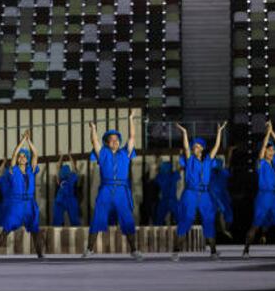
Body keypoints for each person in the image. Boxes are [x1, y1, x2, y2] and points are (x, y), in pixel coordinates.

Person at [82, 110, 143, 260]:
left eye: (117, 139)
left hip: (122, 190)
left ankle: (134, 250)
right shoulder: (102, 153)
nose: (115, 141)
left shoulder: (125, 153)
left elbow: (132, 137)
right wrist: (93, 129)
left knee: (127, 218)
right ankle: (89, 249)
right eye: (111, 139)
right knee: (97, 217)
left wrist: (130, 118)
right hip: (106, 190)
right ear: (107, 142)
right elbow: (94, 142)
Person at [171, 122, 227, 261]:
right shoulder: (190, 160)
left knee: (209, 220)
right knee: (187, 219)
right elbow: (185, 146)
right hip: (190, 193)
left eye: (197, 146)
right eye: (194, 147)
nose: (195, 148)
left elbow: (216, 147)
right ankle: (176, 252)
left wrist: (219, 132)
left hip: (205, 194)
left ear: (202, 148)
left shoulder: (208, 161)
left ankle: (213, 252)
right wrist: (184, 132)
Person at [243, 121, 275, 259]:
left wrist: (272, 132)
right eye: (268, 149)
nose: (271, 151)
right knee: (256, 225)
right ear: (264, 151)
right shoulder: (261, 163)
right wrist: (267, 132)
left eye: (272, 150)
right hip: (264, 196)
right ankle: (246, 250)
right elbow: (264, 146)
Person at [0, 130, 43, 260]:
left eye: (24, 156)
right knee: (7, 228)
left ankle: (40, 254)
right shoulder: (13, 170)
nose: (22, 158)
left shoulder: (31, 170)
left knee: (35, 230)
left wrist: (29, 140)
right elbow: (13, 155)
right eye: (21, 156)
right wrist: (22, 141)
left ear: (27, 160)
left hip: (29, 203)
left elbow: (35, 154)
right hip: (17, 204)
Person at [209, 146, 235, 240]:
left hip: (223, 195)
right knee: (219, 211)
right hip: (214, 196)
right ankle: (222, 230)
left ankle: (225, 229)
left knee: (227, 213)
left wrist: (230, 151)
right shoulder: (210, 173)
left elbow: (227, 163)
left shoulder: (223, 172)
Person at [52, 153, 81, 226]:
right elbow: (59, 166)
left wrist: (68, 156)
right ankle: (58, 228)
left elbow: (72, 168)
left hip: (68, 198)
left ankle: (75, 230)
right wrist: (64, 156)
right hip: (62, 199)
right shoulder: (61, 179)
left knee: (74, 218)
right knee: (57, 218)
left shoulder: (71, 177)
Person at [153, 159, 180, 225]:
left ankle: (157, 231)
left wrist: (157, 167)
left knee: (159, 219)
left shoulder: (160, 177)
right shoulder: (173, 176)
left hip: (164, 200)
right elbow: (178, 172)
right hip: (172, 199)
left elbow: (155, 180)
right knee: (179, 217)